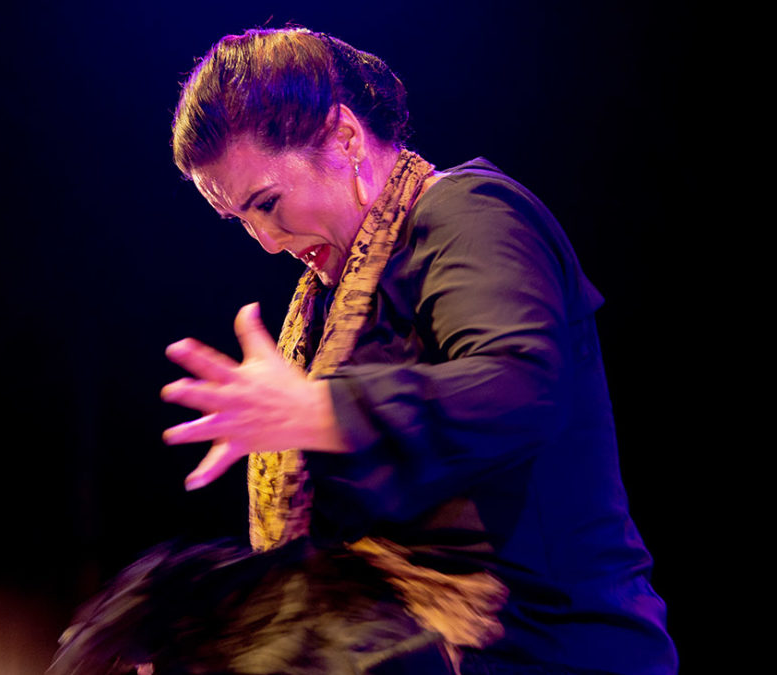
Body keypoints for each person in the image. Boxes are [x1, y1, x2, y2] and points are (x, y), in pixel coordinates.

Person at [51, 27, 676, 675]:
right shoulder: (327, 301)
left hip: (547, 649)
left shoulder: (471, 214)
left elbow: (518, 387)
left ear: (345, 138)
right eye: (242, 219)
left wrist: (323, 412)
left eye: (267, 203)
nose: (266, 240)